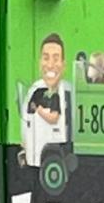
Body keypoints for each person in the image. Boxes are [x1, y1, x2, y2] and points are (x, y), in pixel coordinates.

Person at [22, 34, 72, 168]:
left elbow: (53, 117)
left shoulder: (56, 96)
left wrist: (38, 109)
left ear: (63, 65)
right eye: (46, 58)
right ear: (40, 62)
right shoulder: (42, 89)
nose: (50, 65)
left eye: (56, 59)